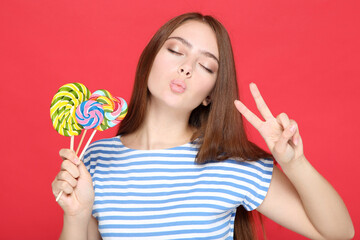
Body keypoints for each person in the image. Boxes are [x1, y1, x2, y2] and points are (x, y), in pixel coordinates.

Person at [52, 12, 354, 240]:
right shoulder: (94, 159)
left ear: (211, 93)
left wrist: (295, 162)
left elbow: (339, 233)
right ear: (149, 60)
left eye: (206, 65)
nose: (186, 67)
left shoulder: (231, 162)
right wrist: (76, 216)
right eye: (175, 51)